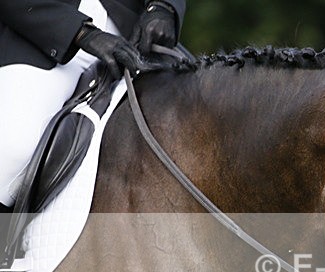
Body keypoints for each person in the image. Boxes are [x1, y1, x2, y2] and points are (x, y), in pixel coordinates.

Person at [0, 0, 186, 210]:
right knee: (13, 153)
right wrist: (81, 33)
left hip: (133, 35)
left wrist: (164, 7)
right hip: (42, 32)